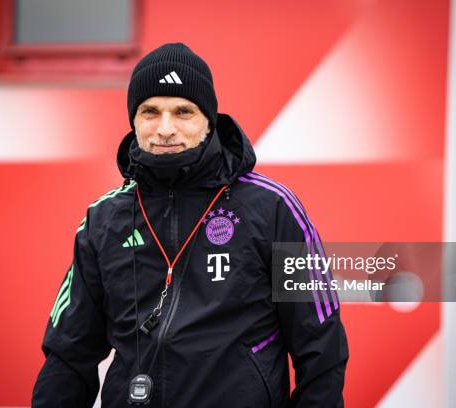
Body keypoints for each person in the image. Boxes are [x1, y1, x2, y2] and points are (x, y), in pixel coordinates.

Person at [32, 42, 348, 408]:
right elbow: (68, 357)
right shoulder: (103, 220)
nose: (165, 129)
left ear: (209, 120)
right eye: (150, 111)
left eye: (183, 111)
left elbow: (321, 345)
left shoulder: (273, 208)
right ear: (134, 120)